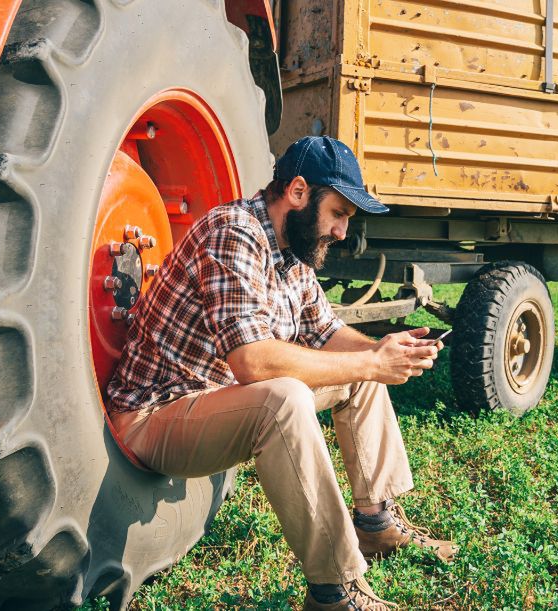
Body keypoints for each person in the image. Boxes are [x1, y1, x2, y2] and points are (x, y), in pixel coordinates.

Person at [106, 136, 457, 610]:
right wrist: (371, 360)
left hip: (214, 399)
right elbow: (251, 361)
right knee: (285, 397)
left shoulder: (294, 255)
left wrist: (382, 350)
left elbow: (327, 333)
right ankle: (334, 592)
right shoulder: (234, 232)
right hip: (155, 416)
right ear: (297, 192)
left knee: (359, 374)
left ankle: (374, 524)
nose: (339, 232)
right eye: (337, 214)